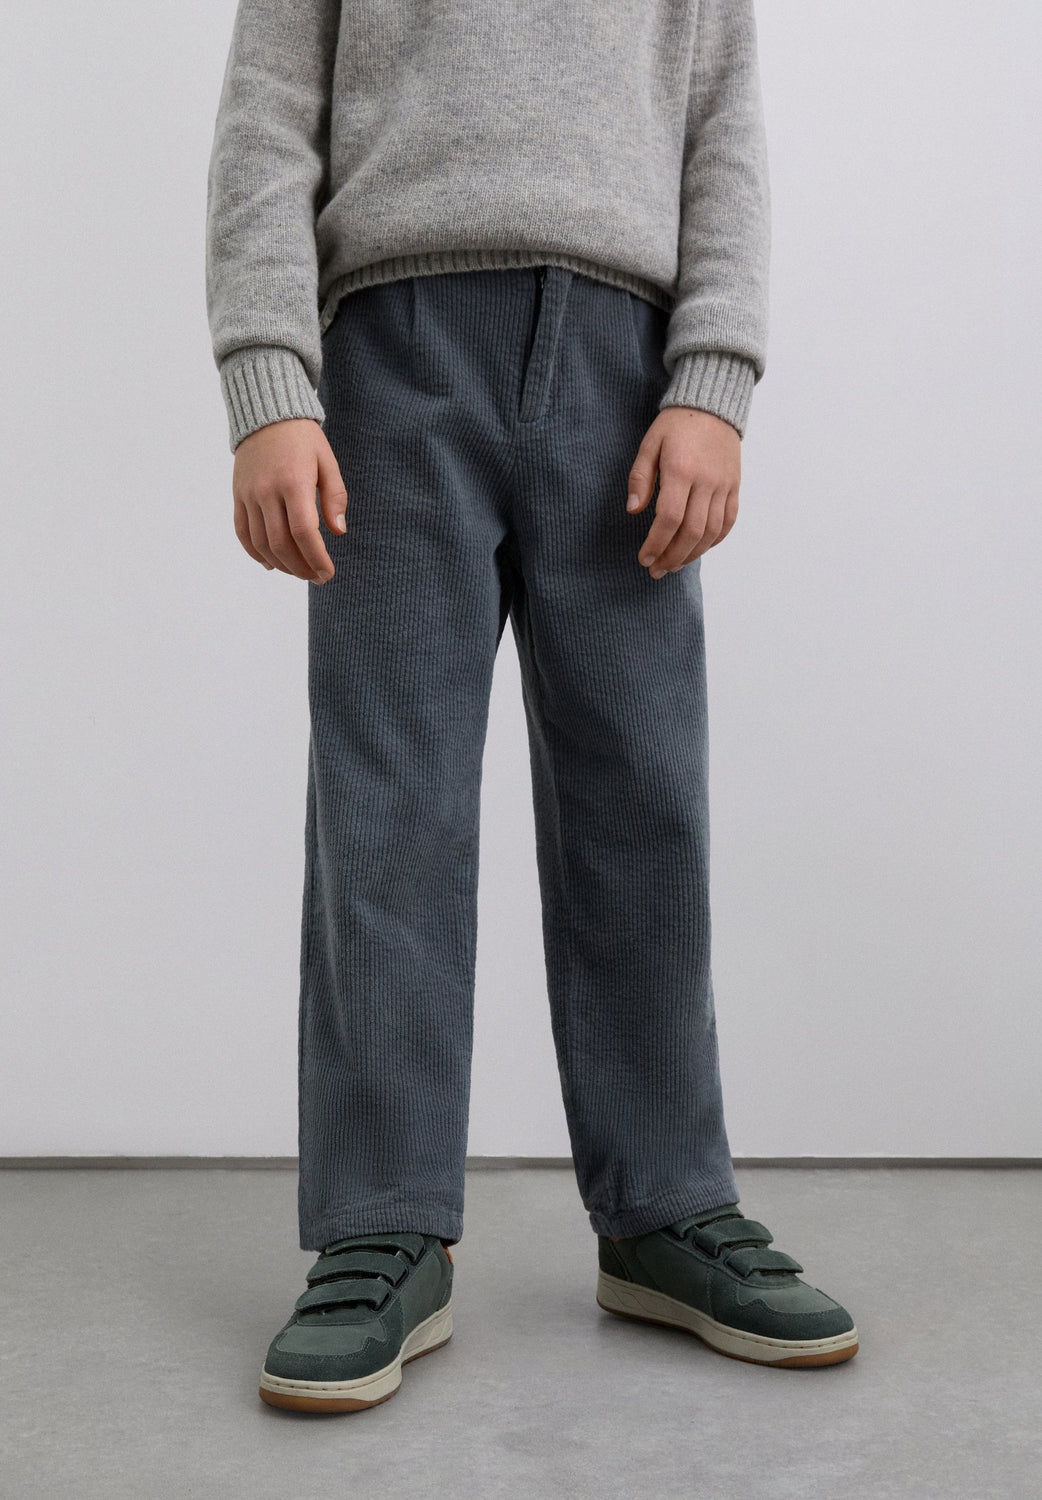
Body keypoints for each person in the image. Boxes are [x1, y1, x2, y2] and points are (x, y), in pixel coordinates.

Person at [205, 0, 858, 1414]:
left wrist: (714, 379)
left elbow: (720, 130)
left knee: (642, 799)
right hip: (391, 359)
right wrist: (270, 383)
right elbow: (266, 116)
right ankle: (381, 1223)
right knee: (389, 807)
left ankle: (665, 1205)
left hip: (627, 377)